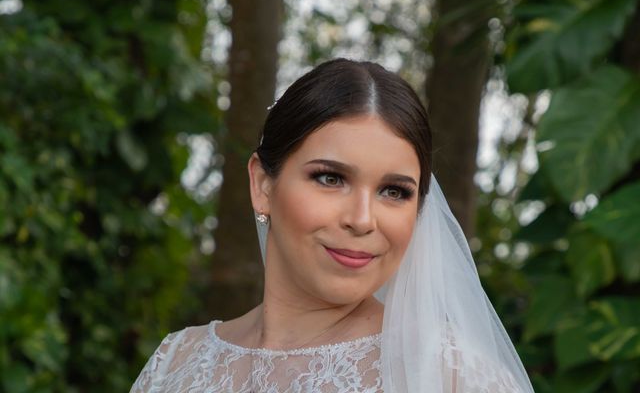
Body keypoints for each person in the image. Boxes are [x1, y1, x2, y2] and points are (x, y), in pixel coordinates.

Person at [130, 59, 534, 392]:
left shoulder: (448, 377)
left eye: (394, 191)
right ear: (262, 184)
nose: (361, 220)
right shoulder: (176, 363)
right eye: (331, 178)